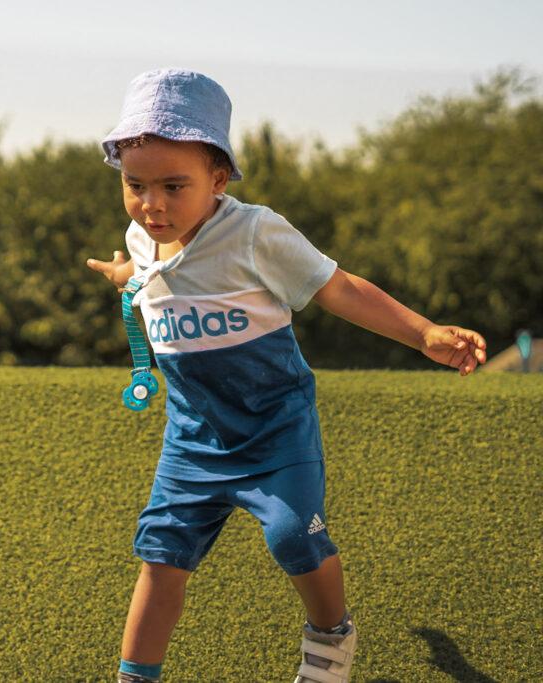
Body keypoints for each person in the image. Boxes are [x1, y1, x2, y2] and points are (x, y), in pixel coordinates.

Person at [86, 68, 487, 683]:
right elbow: (147, 275)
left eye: (174, 185)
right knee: (160, 558)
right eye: (135, 185)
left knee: (294, 536)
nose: (152, 203)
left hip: (275, 428)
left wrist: (424, 332)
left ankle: (331, 637)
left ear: (218, 179)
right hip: (193, 440)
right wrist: (123, 275)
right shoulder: (144, 237)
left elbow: (339, 288)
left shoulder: (253, 232)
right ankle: (135, 676)